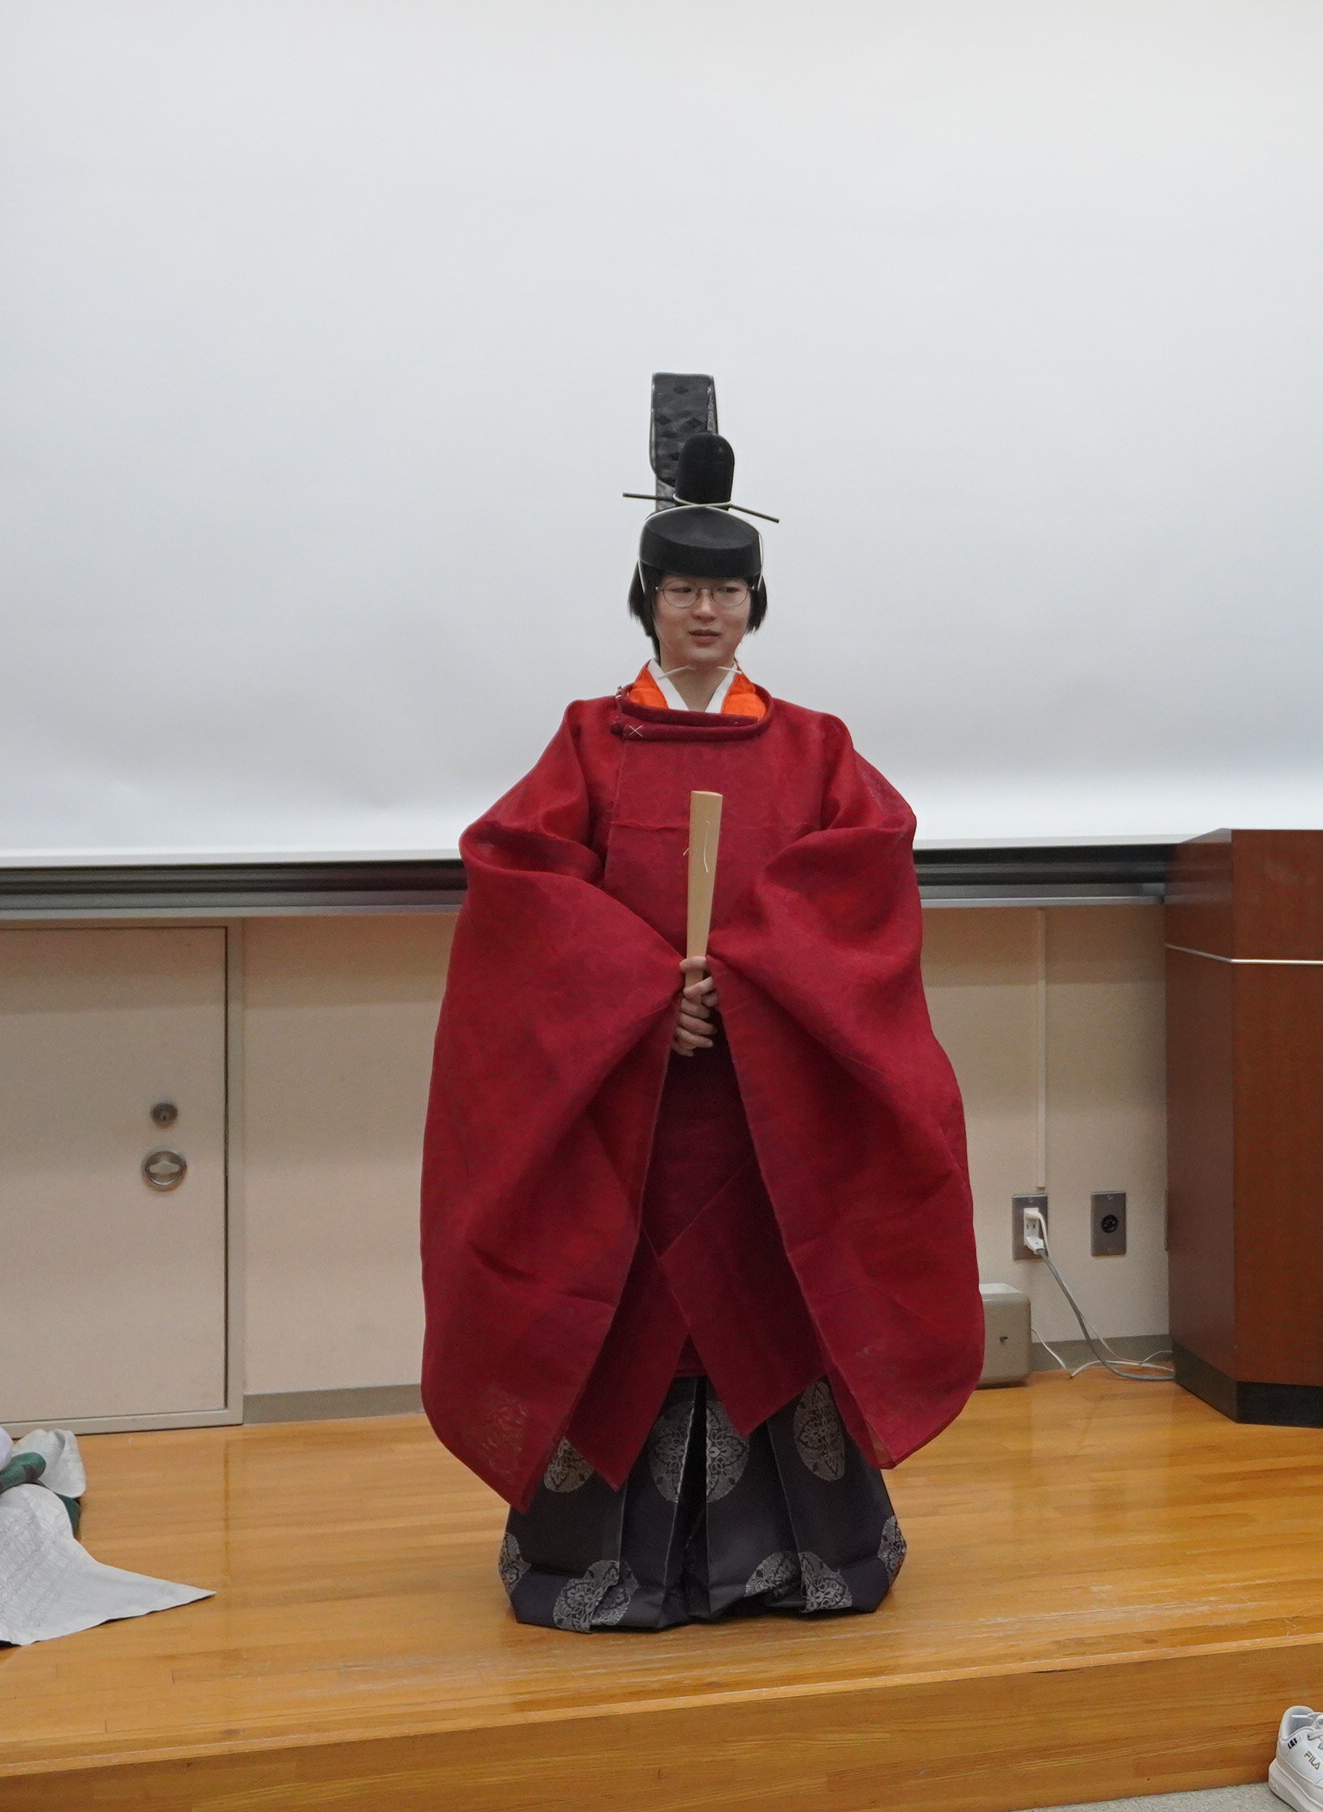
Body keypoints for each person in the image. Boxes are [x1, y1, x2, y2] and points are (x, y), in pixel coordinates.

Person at [420, 386, 983, 1630]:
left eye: (727, 591)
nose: (706, 611)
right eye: (682, 589)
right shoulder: (590, 740)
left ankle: (800, 1557)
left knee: (771, 1290)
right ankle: (599, 1565)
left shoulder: (815, 746)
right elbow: (519, 884)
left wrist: (749, 980)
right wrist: (636, 997)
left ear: (754, 604)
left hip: (763, 1100)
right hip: (629, 1103)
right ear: (647, 598)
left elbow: (862, 873)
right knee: (626, 1304)